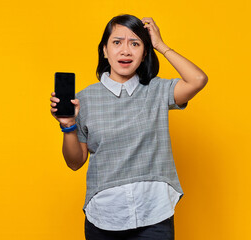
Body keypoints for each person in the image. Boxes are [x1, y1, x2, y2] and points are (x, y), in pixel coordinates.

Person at [50, 14, 208, 240]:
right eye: (117, 42)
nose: (125, 51)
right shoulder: (83, 100)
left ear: (144, 53)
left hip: (154, 212)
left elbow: (198, 80)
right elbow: (75, 162)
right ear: (104, 50)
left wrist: (161, 45)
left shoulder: (157, 90)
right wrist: (68, 127)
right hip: (104, 216)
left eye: (135, 43)